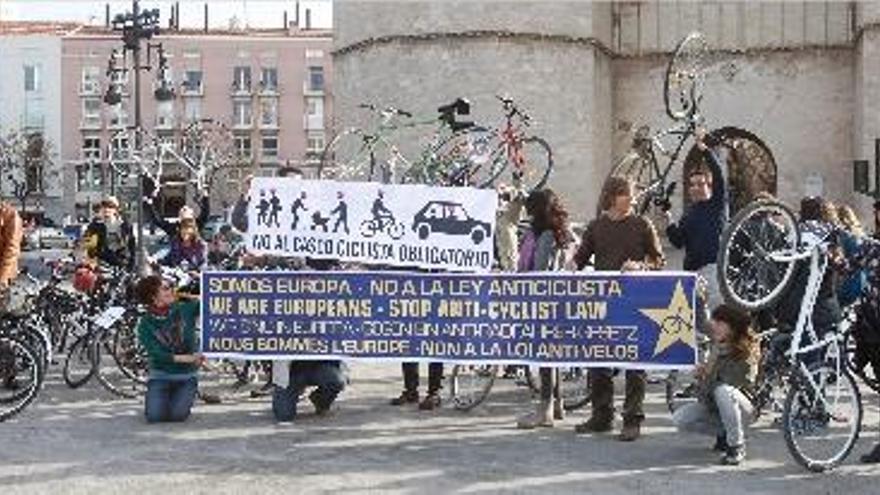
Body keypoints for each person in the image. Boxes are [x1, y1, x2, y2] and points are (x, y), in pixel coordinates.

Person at [572, 176, 665, 441]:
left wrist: (641, 266)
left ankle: (633, 418)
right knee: (598, 359)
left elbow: (658, 261)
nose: (633, 197)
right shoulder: (596, 227)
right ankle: (602, 416)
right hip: (604, 303)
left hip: (636, 302)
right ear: (613, 196)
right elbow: (580, 258)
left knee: (635, 362)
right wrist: (569, 266)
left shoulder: (641, 224)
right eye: (628, 193)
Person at [672, 304, 759, 465]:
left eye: (720, 323)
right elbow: (706, 393)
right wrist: (702, 375)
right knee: (680, 419)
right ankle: (724, 434)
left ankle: (736, 446)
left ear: (733, 326)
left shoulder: (746, 351)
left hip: (743, 408)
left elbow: (729, 385)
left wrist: (709, 375)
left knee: (723, 391)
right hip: (716, 404)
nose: (714, 326)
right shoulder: (717, 347)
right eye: (715, 322)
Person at [515, 189, 573, 429]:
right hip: (556, 300)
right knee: (552, 354)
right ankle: (557, 404)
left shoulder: (546, 235)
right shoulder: (558, 232)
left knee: (546, 354)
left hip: (544, 300)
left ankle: (545, 409)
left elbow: (539, 269)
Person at [665, 134, 727, 310]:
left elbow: (719, 174)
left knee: (717, 313)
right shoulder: (689, 214)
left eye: (700, 184)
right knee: (695, 320)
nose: (695, 188)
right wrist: (668, 216)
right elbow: (678, 242)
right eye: (692, 185)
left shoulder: (717, 204)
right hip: (692, 273)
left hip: (713, 269)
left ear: (709, 186)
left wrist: (705, 150)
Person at [135, 275, 204, 423]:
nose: (172, 291)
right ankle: (167, 395)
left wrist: (198, 298)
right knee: (155, 417)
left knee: (177, 416)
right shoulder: (145, 324)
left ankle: (187, 391)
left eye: (172, 287)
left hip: (187, 376)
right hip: (161, 375)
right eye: (166, 288)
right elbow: (156, 354)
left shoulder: (185, 308)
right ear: (153, 296)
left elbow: (214, 304)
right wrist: (187, 358)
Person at [271, 361, 347, 422]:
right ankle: (284, 394)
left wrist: (343, 371)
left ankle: (319, 400)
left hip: (321, 367)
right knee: (284, 416)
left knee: (337, 381)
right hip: (292, 372)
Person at [82, 196, 136, 270]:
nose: (106, 209)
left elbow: (131, 245)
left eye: (110, 207)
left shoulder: (125, 225)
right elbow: (90, 246)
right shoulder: (94, 226)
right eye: (103, 206)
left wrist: (131, 263)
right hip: (102, 264)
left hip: (122, 263)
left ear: (116, 210)